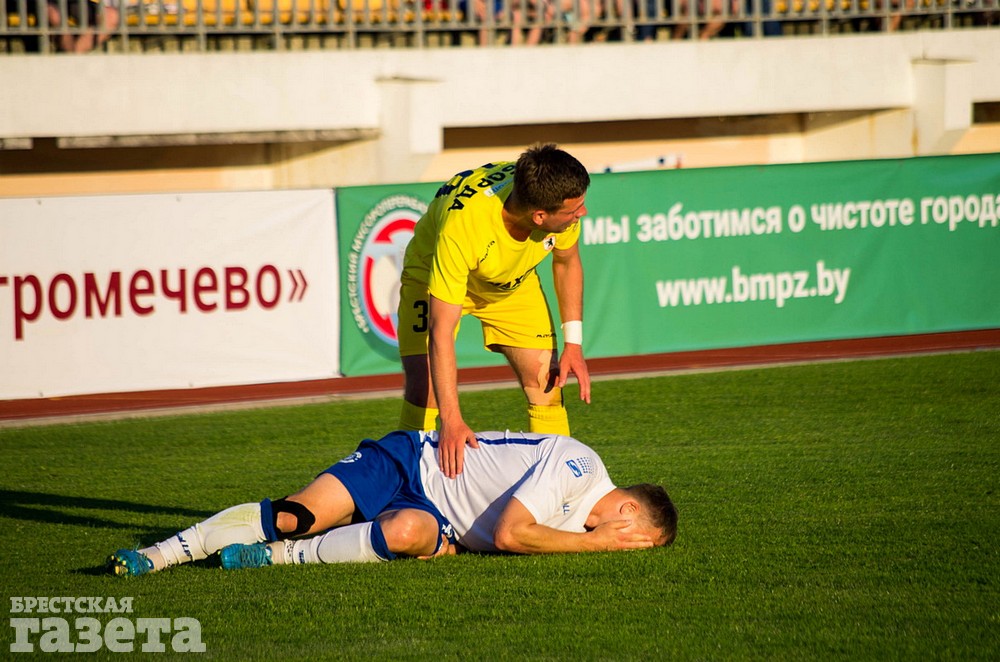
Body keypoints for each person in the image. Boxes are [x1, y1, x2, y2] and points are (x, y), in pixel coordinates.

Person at [107, 430, 677, 576]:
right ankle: (159, 555)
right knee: (296, 517)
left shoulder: (580, 520)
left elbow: (502, 538)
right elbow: (509, 534)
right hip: (409, 460)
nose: (623, 550)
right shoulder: (578, 466)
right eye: (634, 542)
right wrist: (593, 543)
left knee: (406, 534)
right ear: (627, 513)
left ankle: (274, 559)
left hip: (437, 521)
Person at [397, 143, 592, 480]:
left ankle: (561, 485)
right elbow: (442, 332)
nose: (582, 214)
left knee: (546, 382)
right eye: (574, 211)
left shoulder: (553, 194)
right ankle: (406, 480)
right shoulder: (464, 230)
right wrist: (452, 419)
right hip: (433, 275)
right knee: (424, 388)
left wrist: (573, 342)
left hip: (511, 287)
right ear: (539, 217)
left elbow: (566, 261)